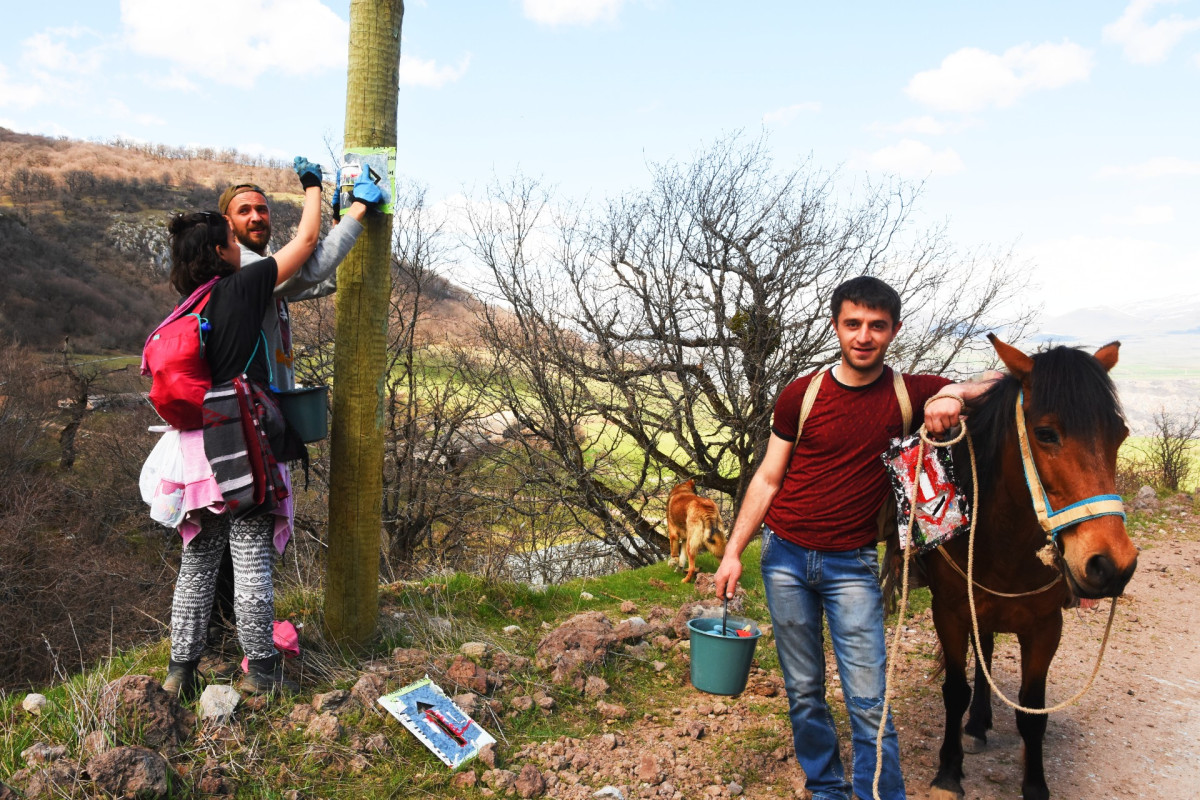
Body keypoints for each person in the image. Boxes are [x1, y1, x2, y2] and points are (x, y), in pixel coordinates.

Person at [713, 276, 997, 800]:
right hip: (784, 559)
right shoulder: (802, 393)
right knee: (803, 691)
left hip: (854, 566)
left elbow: (1000, 382)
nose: (864, 336)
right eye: (853, 324)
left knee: (869, 700)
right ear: (836, 326)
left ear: (894, 331)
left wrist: (953, 392)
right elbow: (768, 479)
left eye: (876, 326)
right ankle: (826, 789)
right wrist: (733, 553)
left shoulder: (911, 393)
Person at [160, 157, 325, 699]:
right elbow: (304, 244)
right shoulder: (245, 285)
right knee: (251, 554)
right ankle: (260, 670)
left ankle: (181, 670)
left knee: (199, 561)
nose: (240, 241)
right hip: (242, 437)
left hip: (194, 450)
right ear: (220, 252)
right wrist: (313, 187)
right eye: (231, 237)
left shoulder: (187, 307)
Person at [205, 170, 386, 641]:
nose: (256, 216)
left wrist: (336, 221)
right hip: (243, 417)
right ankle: (240, 639)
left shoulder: (263, 270)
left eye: (262, 208)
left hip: (258, 412)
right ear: (227, 225)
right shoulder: (244, 272)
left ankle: (232, 632)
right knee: (242, 537)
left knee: (239, 535)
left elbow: (317, 281)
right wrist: (353, 210)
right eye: (244, 210)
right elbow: (311, 255)